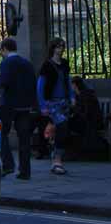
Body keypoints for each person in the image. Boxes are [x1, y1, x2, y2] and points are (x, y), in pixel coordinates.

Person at [0, 37, 37, 180]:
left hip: (9, 105)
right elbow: (34, 83)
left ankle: (8, 164)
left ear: (5, 49)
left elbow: (4, 83)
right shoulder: (27, 63)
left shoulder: (6, 63)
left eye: (1, 51)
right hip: (25, 106)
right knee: (24, 138)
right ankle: (25, 171)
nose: (1, 53)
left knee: (1, 133)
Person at [37, 37, 75, 175]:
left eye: (62, 46)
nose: (61, 49)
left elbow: (68, 81)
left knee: (61, 129)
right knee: (62, 126)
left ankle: (55, 156)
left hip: (63, 101)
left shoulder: (64, 64)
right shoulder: (47, 65)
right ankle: (57, 159)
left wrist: (71, 96)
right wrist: (42, 105)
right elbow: (40, 86)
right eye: (58, 46)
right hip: (51, 102)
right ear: (53, 48)